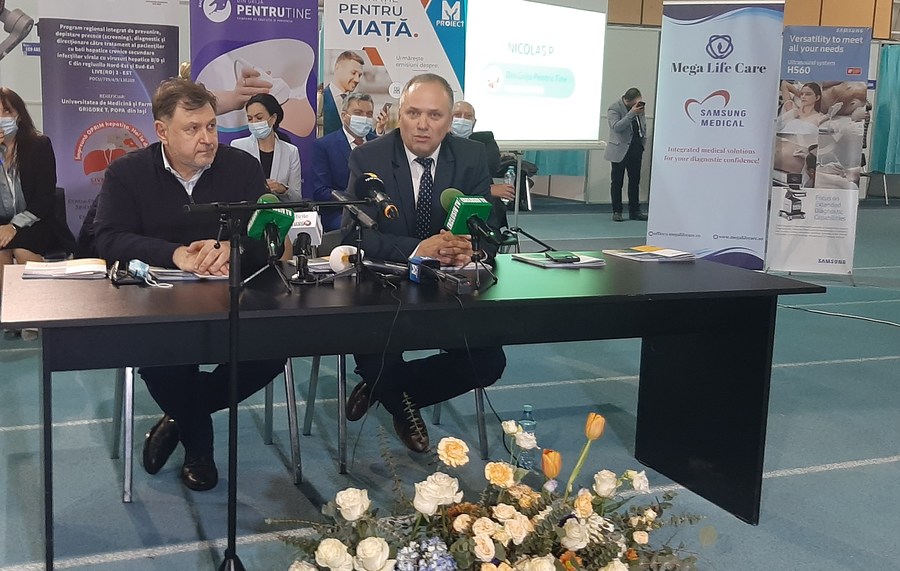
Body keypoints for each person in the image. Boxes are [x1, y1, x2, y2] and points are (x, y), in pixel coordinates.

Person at [93, 78, 285, 491]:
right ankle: (200, 446)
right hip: (159, 303)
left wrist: (234, 248)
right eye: (192, 128)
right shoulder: (127, 173)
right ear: (162, 131)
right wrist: (174, 254)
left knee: (273, 352)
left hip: (231, 300)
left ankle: (180, 417)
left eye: (211, 126)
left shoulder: (242, 167)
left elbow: (266, 238)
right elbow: (107, 238)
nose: (207, 138)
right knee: (165, 362)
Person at [342, 73, 507, 453]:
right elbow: (354, 235)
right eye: (413, 113)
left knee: (488, 362)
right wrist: (420, 247)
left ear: (449, 121)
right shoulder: (369, 158)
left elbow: (489, 230)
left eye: (434, 115)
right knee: (375, 351)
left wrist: (471, 249)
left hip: (450, 289)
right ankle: (398, 400)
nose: (422, 124)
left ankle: (389, 391)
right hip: (383, 287)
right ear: (399, 114)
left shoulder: (470, 157)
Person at [0, 87, 73, 340]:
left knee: (21, 249)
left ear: (18, 114)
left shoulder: (39, 145)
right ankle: (10, 315)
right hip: (2, 223)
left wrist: (15, 226)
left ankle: (35, 313)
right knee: (1, 251)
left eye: (6, 111)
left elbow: (45, 197)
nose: (1, 118)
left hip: (37, 220)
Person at [308, 92, 378, 232]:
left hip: (377, 211)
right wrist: (355, 200)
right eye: (358, 113)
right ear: (344, 116)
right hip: (340, 213)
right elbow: (320, 192)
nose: (364, 118)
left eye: (369, 114)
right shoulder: (324, 146)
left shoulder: (378, 144)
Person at [231, 93, 302, 202]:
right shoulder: (238, 147)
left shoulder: (291, 151)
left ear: (273, 118)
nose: (254, 123)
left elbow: (297, 198)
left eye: (259, 118)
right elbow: (232, 191)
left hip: (279, 211)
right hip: (248, 211)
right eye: (250, 118)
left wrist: (283, 190)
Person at [451, 101, 515, 203]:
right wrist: (488, 190)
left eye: (468, 116)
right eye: (457, 115)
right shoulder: (438, 143)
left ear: (474, 122)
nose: (462, 119)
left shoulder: (484, 142)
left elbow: (488, 171)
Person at [604, 87, 648, 221]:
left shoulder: (639, 108)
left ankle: (635, 211)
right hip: (619, 150)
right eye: (635, 103)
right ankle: (617, 211)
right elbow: (616, 127)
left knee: (634, 181)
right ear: (627, 100)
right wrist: (631, 114)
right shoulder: (614, 108)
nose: (637, 105)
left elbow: (642, 125)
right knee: (617, 182)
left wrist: (642, 142)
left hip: (636, 148)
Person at [321, 51, 364, 135]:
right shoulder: (319, 100)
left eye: (359, 75)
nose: (357, 80)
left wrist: (379, 129)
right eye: (353, 73)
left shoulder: (358, 104)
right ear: (337, 68)